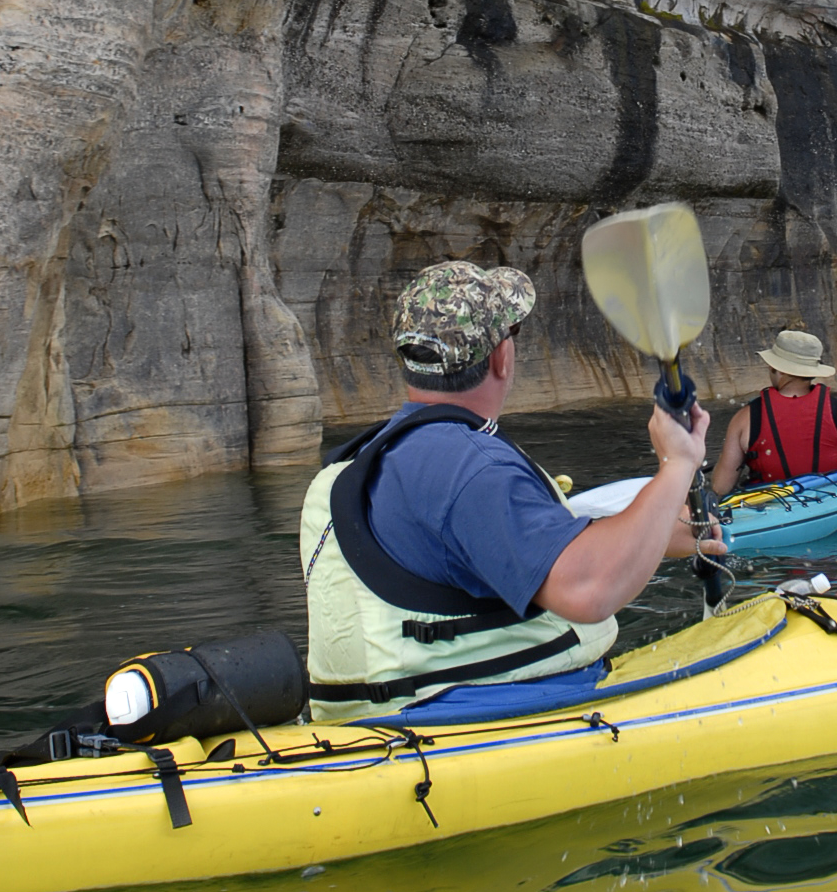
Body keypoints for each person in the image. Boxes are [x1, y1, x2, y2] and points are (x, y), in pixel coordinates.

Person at [300, 260, 725, 720]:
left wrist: (659, 533)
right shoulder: (470, 465)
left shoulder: (380, 456)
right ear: (502, 356)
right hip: (466, 721)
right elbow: (589, 590)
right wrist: (677, 464)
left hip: (382, 718)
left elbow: (481, 549)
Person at [710, 328, 837, 498]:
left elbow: (720, 487)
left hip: (770, 503)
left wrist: (728, 456)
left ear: (777, 369)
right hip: (831, 494)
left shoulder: (744, 419)